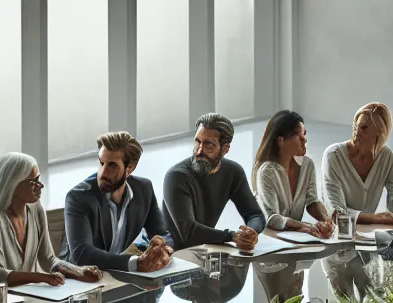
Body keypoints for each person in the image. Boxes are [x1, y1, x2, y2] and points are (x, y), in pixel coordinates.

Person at [0, 152, 102, 288]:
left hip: (25, 294)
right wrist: (41, 277)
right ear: (12, 184)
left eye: (38, 179)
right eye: (33, 182)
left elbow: (49, 260)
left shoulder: (36, 208)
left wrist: (79, 271)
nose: (40, 186)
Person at [62, 131, 176, 273]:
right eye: (101, 163)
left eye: (112, 165)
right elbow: (82, 254)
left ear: (129, 168)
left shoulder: (144, 189)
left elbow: (162, 233)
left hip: (117, 275)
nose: (102, 173)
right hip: (79, 279)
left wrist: (162, 247)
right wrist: (136, 263)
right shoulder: (78, 197)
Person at [163, 113, 266, 251]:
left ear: (225, 149)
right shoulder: (177, 176)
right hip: (167, 251)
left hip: (201, 249)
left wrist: (250, 232)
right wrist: (232, 236)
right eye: (197, 142)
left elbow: (255, 214)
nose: (199, 151)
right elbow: (188, 232)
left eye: (208, 145)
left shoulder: (233, 172)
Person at [323, 102, 393, 226]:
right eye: (356, 126)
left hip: (367, 235)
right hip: (336, 233)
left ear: (379, 133)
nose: (356, 133)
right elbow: (334, 210)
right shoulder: (333, 156)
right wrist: (374, 218)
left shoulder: (385, 156)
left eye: (364, 128)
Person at [252, 110, 335, 237]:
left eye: (304, 134)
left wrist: (326, 220)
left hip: (296, 240)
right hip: (270, 240)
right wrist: (306, 226)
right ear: (281, 141)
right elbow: (271, 218)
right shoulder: (266, 171)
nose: (304, 139)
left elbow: (312, 201)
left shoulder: (307, 165)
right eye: (298, 134)